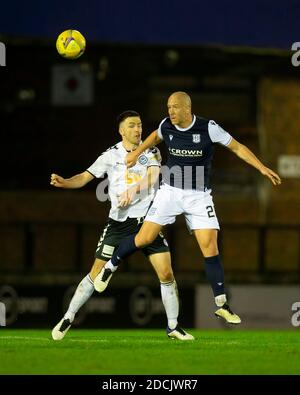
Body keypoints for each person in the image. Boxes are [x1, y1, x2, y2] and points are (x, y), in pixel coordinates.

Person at [94, 92, 282, 324]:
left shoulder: (208, 128)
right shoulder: (166, 126)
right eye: (168, 107)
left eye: (174, 107)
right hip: (170, 192)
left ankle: (222, 304)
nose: (170, 111)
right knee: (143, 238)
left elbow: (237, 147)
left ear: (187, 109)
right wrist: (138, 153)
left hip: (199, 196)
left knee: (210, 246)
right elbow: (154, 137)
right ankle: (110, 266)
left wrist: (261, 168)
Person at [50, 110, 194, 341]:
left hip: (147, 221)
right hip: (118, 224)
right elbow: (86, 177)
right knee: (95, 274)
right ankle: (68, 317)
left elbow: (153, 176)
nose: (138, 129)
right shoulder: (110, 156)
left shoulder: (150, 150)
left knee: (166, 272)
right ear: (121, 130)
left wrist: (133, 190)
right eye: (132, 125)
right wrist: (65, 182)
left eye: (139, 125)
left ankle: (173, 327)